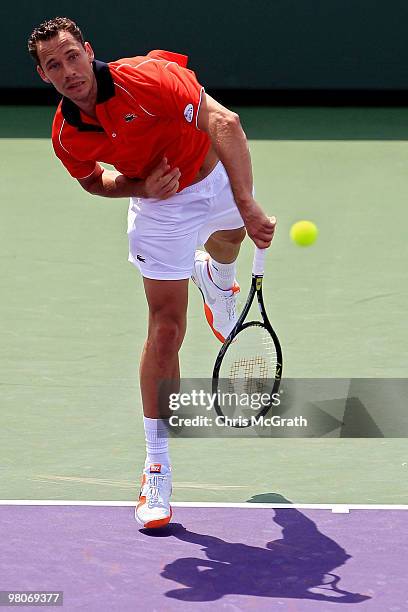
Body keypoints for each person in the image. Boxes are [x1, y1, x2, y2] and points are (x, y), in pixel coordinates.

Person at [28, 17, 276, 529]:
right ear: (43, 75)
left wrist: (247, 203)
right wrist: (139, 189)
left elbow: (224, 123)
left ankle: (215, 277)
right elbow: (94, 182)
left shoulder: (148, 77)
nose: (69, 70)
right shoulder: (67, 135)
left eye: (72, 55)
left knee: (228, 239)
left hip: (214, 179)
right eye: (54, 65)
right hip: (161, 210)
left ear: (88, 50)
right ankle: (157, 464)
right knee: (166, 331)